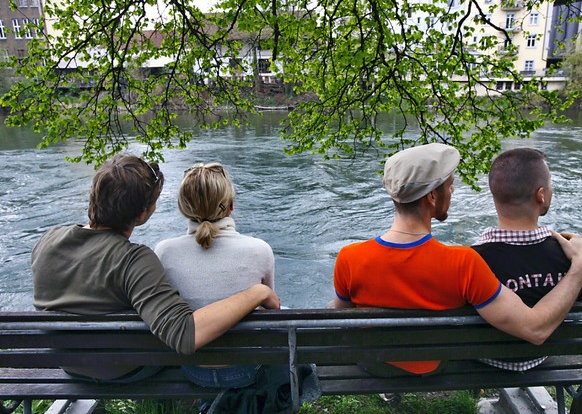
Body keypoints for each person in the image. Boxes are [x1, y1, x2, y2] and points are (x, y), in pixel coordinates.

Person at [332, 143, 582, 378]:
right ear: (431, 197)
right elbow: (533, 328)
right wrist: (577, 269)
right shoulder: (462, 262)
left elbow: (340, 319)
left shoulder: (349, 257)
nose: (452, 191)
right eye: (449, 185)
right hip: (431, 366)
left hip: (374, 365)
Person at [31, 154, 280, 383]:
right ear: (143, 214)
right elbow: (184, 335)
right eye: (154, 203)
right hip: (122, 370)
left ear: (95, 193)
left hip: (68, 364)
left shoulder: (48, 240)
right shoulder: (133, 259)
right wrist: (255, 293)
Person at [154, 162, 275, 390]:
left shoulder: (163, 252)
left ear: (183, 208)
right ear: (231, 205)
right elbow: (272, 308)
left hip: (193, 369)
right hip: (246, 369)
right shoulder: (259, 250)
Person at [472, 147, 582, 371]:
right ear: (540, 194)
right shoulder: (571, 256)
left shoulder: (471, 260)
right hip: (546, 355)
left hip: (488, 359)